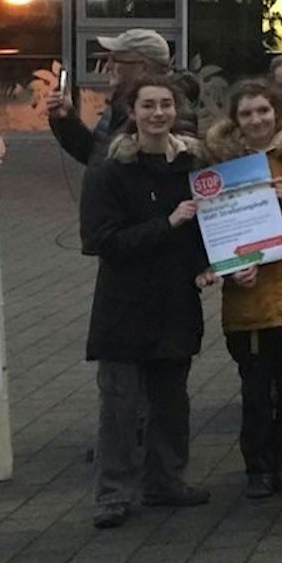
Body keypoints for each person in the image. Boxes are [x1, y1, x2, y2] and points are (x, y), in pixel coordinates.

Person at [79, 75, 216, 529]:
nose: (158, 114)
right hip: (124, 305)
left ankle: (166, 481)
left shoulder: (194, 165)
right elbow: (100, 240)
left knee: (171, 401)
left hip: (175, 301)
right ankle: (112, 494)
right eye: (148, 106)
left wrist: (206, 263)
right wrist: (167, 223)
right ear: (131, 113)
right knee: (118, 405)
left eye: (166, 105)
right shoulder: (109, 169)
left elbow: (205, 229)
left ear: (176, 111)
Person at [203, 81, 282, 498]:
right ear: (235, 121)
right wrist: (229, 269)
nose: (257, 120)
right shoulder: (220, 165)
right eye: (247, 114)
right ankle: (257, 468)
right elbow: (214, 230)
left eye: (263, 111)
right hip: (249, 297)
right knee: (256, 390)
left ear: (276, 112)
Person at [46, 28, 194, 165]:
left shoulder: (174, 111)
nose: (108, 66)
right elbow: (96, 153)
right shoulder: (122, 100)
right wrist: (65, 119)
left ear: (143, 66)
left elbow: (169, 171)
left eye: (115, 59)